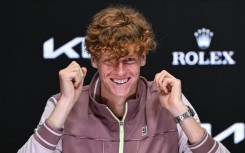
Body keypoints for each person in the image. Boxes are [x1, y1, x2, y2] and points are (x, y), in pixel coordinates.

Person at [18, 5, 230, 153]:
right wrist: (65, 104)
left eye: (128, 59)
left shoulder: (170, 102)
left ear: (143, 58)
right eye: (110, 60)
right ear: (94, 60)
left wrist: (180, 111)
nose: (120, 71)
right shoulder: (60, 104)